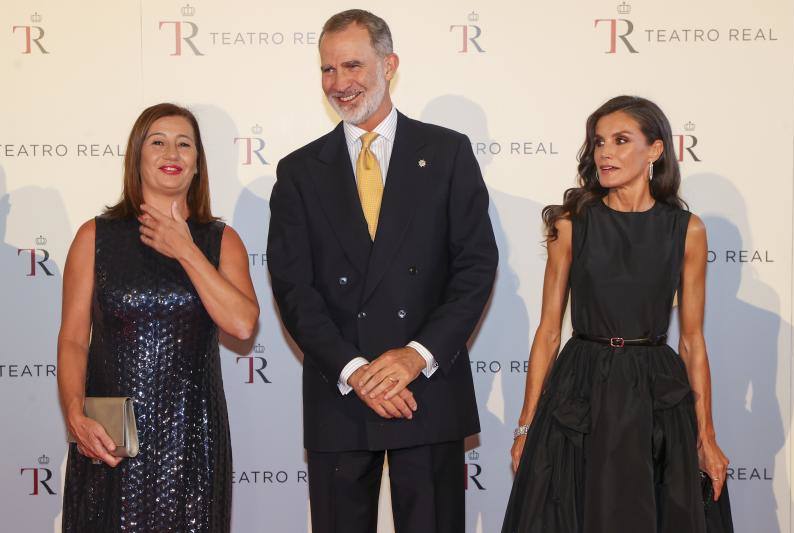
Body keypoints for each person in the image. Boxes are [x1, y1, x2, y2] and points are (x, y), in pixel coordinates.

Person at [267, 9, 497, 533]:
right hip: (341, 394)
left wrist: (414, 357)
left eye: (352, 66)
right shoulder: (299, 172)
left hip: (427, 392)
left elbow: (476, 267)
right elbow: (293, 288)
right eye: (328, 70)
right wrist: (356, 371)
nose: (339, 83)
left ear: (388, 64)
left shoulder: (446, 152)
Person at [502, 95, 733, 532]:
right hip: (582, 386)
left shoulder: (687, 230)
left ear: (656, 150)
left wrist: (706, 437)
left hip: (654, 390)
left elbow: (692, 341)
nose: (604, 152)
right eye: (599, 142)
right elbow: (549, 332)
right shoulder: (572, 225)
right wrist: (525, 426)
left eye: (621, 140)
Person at [58, 103, 259, 532]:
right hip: (110, 442)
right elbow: (74, 339)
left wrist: (185, 249)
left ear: (197, 165)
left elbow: (242, 325)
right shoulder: (95, 237)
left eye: (184, 144)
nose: (172, 152)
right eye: (158, 142)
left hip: (193, 444)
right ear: (137, 157)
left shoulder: (221, 241)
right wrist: (75, 413)